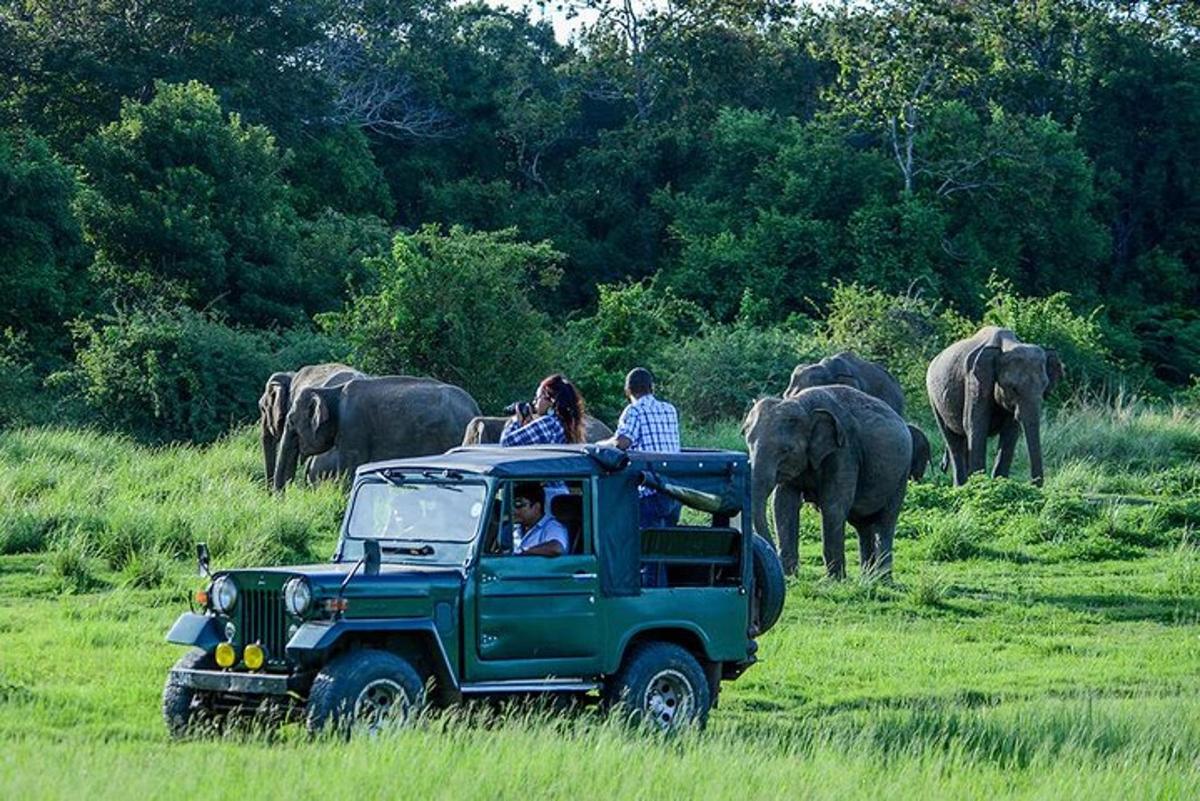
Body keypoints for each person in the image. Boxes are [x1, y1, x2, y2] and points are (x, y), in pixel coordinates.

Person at [604, 367, 682, 528]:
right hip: (674, 491)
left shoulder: (634, 410)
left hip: (650, 491)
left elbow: (622, 443)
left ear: (628, 390)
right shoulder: (670, 409)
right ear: (651, 387)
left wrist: (601, 445)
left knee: (642, 544)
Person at [499, 373, 587, 446]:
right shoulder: (565, 425)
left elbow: (505, 443)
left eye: (537, 397)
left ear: (551, 401)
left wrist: (516, 421)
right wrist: (526, 424)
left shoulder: (549, 423)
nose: (534, 402)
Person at [511, 482, 569, 556]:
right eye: (512, 505)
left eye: (518, 505)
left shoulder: (552, 527)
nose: (513, 510)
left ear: (536, 507)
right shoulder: (516, 529)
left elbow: (556, 548)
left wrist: (524, 551)